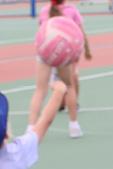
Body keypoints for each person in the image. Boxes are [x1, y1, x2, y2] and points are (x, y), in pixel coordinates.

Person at [29, 0, 91, 139]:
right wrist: (85, 49)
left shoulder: (44, 11)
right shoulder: (71, 10)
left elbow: (41, 33)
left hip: (45, 52)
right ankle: (74, 126)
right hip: (64, 52)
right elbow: (79, 33)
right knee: (69, 86)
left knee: (40, 90)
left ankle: (31, 127)